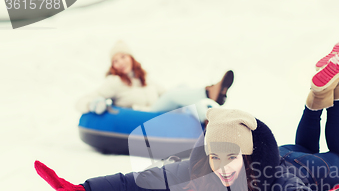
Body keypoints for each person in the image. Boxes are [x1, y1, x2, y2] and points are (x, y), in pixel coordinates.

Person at [36, 39, 339, 191]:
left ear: (246, 154)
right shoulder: (203, 167)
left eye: (231, 158)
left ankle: (334, 95)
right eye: (216, 157)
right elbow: (137, 181)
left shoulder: (274, 178)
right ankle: (319, 94)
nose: (223, 168)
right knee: (303, 145)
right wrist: (84, 190)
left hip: (305, 169)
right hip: (291, 151)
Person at [76, 40, 234, 123]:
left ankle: (209, 116)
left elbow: (167, 94)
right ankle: (209, 92)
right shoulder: (114, 81)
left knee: (181, 87)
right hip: (142, 115)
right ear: (112, 65)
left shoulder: (144, 78)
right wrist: (92, 104)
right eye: (115, 60)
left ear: (131, 58)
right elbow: (82, 100)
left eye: (123, 57)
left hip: (158, 110)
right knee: (173, 95)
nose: (120, 62)